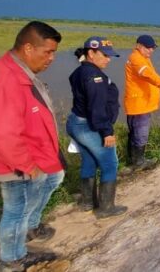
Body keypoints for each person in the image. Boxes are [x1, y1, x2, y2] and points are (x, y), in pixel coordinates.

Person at [0, 21, 64, 272]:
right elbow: (1, 133)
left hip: (34, 155)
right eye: (47, 52)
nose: (52, 58)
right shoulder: (6, 79)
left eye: (54, 52)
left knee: (52, 180)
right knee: (16, 210)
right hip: (16, 163)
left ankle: (29, 229)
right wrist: (27, 165)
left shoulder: (20, 72)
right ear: (28, 47)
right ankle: (12, 259)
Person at [66, 36, 127, 219]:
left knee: (89, 161)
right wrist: (106, 131)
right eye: (105, 55)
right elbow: (97, 107)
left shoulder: (82, 71)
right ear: (91, 53)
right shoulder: (95, 76)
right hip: (90, 126)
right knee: (110, 163)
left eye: (110, 56)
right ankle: (106, 208)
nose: (108, 59)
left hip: (76, 122)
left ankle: (87, 202)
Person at [124, 35, 160, 170]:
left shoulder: (143, 58)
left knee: (135, 133)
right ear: (138, 46)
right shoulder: (136, 59)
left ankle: (133, 161)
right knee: (140, 134)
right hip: (139, 105)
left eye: (153, 48)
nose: (151, 50)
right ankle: (139, 163)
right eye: (147, 47)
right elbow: (145, 73)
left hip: (140, 103)